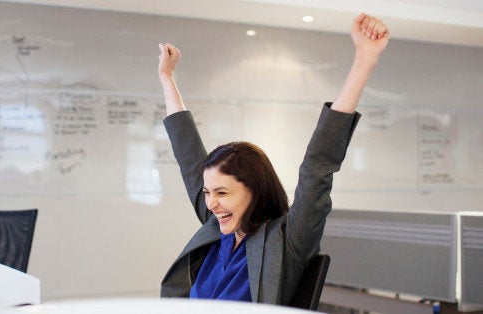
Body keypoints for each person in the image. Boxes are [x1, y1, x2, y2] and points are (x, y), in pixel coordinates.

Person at [156, 13, 389, 305]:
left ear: (254, 190)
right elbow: (187, 152)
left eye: (222, 192)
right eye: (207, 192)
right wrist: (167, 77)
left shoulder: (288, 241)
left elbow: (317, 166)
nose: (211, 202)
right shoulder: (217, 227)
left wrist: (365, 60)